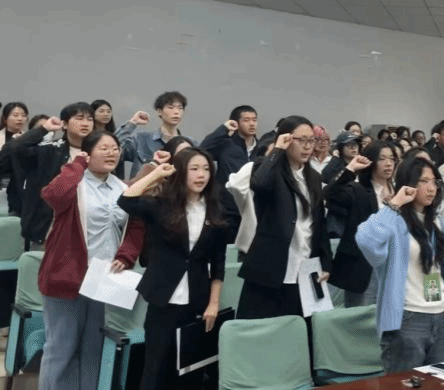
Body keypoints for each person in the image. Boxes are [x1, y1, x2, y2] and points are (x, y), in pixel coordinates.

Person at [38, 131, 140, 390]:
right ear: (88, 153)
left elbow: (136, 226)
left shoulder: (123, 188)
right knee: (62, 348)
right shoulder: (75, 183)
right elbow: (53, 195)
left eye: (115, 148)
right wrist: (76, 165)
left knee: (95, 348)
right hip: (68, 276)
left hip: (104, 279)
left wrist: (126, 255)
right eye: (104, 148)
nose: (111, 153)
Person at [118, 148, 227, 390]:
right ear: (181, 173)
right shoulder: (162, 206)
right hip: (163, 299)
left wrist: (214, 303)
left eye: (206, 169)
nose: (201, 175)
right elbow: (126, 200)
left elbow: (218, 263)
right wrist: (156, 173)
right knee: (155, 368)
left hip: (197, 301)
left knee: (190, 371)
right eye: (194, 169)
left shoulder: (215, 210)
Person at [355, 157, 444, 372]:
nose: (431, 188)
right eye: (423, 181)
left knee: (437, 383)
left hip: (441, 316)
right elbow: (366, 240)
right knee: (402, 384)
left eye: (434, 182)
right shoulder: (394, 220)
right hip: (408, 319)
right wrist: (394, 203)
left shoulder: (439, 222)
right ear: (409, 183)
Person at [237, 116, 332, 322]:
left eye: (311, 140)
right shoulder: (269, 171)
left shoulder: (314, 178)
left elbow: (318, 225)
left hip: (305, 270)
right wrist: (277, 150)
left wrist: (325, 262)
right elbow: (259, 184)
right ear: (286, 139)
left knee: (301, 331)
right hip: (270, 269)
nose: (307, 146)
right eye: (302, 140)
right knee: (264, 330)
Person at [7, 103, 94, 249]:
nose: (85, 123)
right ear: (64, 124)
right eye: (79, 118)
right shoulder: (50, 151)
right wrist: (44, 129)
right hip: (49, 231)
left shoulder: (97, 153)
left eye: (90, 119)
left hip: (88, 232)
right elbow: (17, 148)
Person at [325, 141, 397, 307]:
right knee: (362, 315)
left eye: (392, 159)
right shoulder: (358, 190)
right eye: (382, 159)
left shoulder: (399, 191)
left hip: (392, 264)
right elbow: (330, 194)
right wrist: (350, 169)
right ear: (371, 162)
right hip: (363, 266)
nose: (388, 164)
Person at [200, 105, 261, 242]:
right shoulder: (226, 144)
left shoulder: (261, 147)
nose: (252, 124)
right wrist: (223, 129)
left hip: (253, 210)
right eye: (246, 120)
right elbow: (201, 151)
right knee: (225, 249)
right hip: (227, 209)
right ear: (236, 122)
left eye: (254, 120)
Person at [121, 91, 191, 176]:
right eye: (170, 107)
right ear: (159, 111)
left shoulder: (189, 144)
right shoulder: (141, 139)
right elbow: (115, 149)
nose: (176, 112)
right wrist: (132, 123)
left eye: (180, 108)